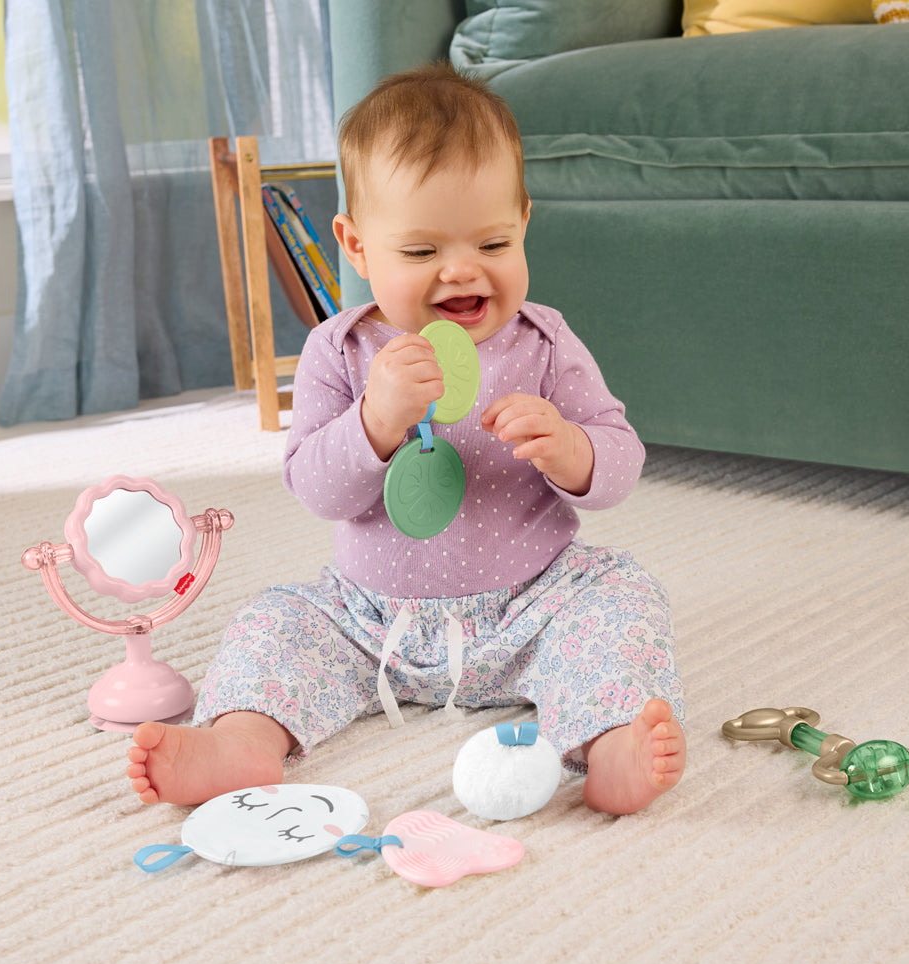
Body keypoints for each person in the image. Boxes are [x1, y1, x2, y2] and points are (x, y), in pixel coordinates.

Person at [127, 63, 686, 815]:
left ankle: (608, 739)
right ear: (356, 246)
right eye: (421, 253)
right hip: (369, 619)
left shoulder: (545, 343)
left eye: (491, 242)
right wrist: (374, 424)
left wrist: (571, 448)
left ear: (523, 221)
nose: (461, 270)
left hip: (533, 605)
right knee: (275, 619)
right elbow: (314, 489)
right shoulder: (341, 351)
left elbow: (620, 464)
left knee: (621, 593)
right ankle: (241, 742)